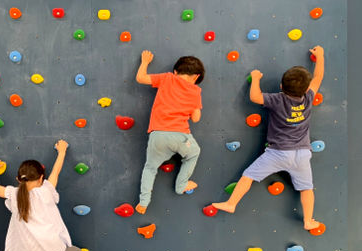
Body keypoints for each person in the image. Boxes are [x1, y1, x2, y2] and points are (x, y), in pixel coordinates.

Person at [212, 46, 325, 231]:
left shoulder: (277, 99)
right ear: (305, 89)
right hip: (302, 154)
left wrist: (255, 78)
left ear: (281, 87)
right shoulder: (308, 98)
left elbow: (255, 97)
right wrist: (320, 56)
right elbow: (318, 77)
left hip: (278, 153)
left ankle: (231, 203)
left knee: (248, 176)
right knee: (306, 189)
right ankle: (308, 220)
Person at [135, 50, 205, 214]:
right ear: (196, 77)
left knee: (150, 168)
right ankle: (181, 185)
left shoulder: (167, 78)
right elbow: (196, 118)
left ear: (175, 71)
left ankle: (143, 203)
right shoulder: (195, 91)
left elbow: (141, 78)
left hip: (158, 135)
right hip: (181, 136)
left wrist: (145, 61)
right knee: (193, 154)